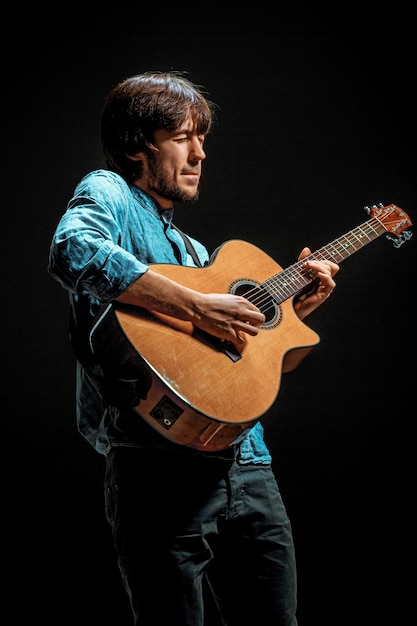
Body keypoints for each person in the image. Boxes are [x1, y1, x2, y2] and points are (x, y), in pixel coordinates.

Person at [47, 71, 339, 626]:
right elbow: (73, 248)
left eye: (202, 139)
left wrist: (294, 312)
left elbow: (229, 357)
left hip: (248, 465)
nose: (199, 153)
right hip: (157, 469)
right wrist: (193, 305)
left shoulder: (194, 249)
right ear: (138, 144)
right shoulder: (110, 192)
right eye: (182, 137)